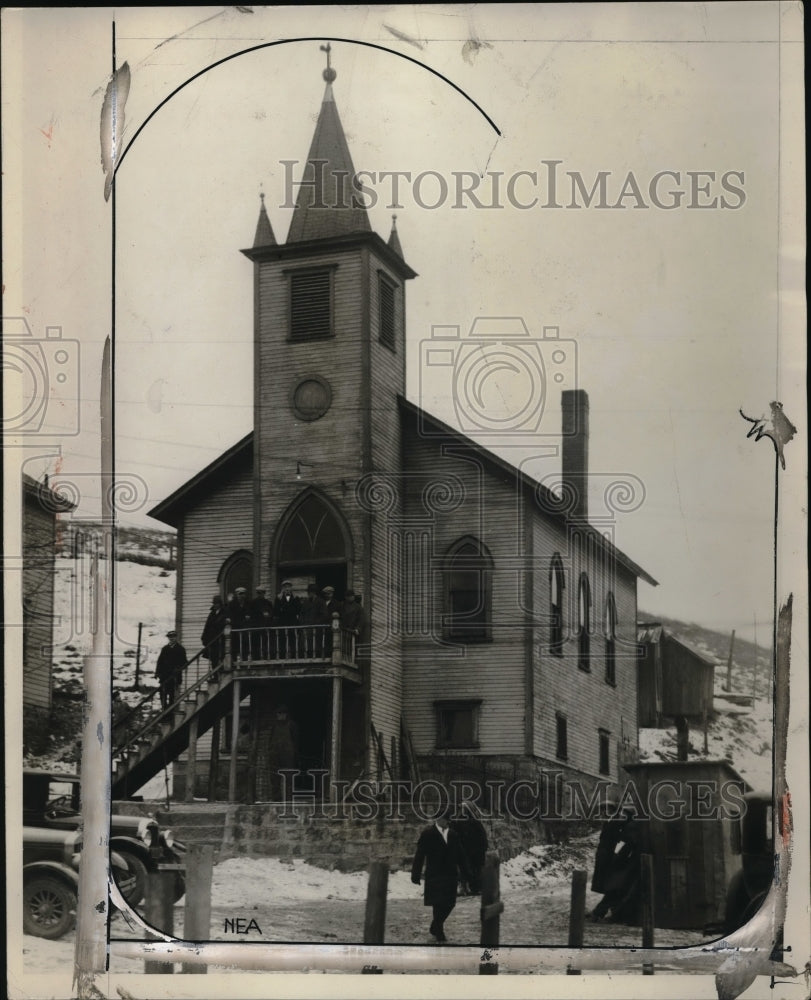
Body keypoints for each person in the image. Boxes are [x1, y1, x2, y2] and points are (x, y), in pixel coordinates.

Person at [411, 810, 470, 943]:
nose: (448, 822)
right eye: (445, 819)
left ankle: (435, 925)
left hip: (450, 874)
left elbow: (461, 855)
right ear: (438, 819)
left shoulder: (453, 834)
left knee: (450, 903)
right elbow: (420, 855)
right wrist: (415, 874)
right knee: (438, 904)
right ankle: (439, 931)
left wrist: (466, 872)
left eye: (448, 820)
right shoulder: (428, 834)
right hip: (435, 874)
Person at [589, 806, 644, 923]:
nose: (621, 815)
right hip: (624, 862)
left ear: (630, 815)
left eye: (625, 813)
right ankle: (601, 912)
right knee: (616, 889)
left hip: (626, 863)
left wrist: (618, 857)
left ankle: (601, 913)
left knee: (615, 889)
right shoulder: (628, 825)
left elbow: (627, 844)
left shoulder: (631, 826)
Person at [256, 703, 299, 801]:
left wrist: (294, 754)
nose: (281, 715)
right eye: (279, 713)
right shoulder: (274, 726)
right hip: (274, 755)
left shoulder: (291, 725)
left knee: (288, 777)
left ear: (286, 714)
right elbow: (270, 740)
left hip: (287, 755)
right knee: (274, 777)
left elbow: (295, 741)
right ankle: (276, 798)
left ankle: (288, 799)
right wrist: (270, 751)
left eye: (283, 713)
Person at [452, 801, 488, 895]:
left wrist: (483, 848)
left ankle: (476, 888)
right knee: (463, 869)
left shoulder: (475, 822)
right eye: (461, 809)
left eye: (464, 809)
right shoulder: (457, 822)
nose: (461, 810)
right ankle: (463, 888)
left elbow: (482, 837)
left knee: (475, 870)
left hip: (475, 851)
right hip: (464, 850)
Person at [155, 630, 188, 710]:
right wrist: (157, 673)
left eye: (173, 637)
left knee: (172, 695)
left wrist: (178, 668)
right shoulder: (165, 649)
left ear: (176, 637)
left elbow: (184, 662)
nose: (171, 638)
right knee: (162, 693)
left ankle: (170, 712)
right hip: (164, 676)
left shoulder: (180, 649)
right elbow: (160, 662)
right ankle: (164, 709)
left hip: (174, 677)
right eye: (170, 637)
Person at [299, 583, 329, 656]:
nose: (309, 594)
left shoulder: (321, 602)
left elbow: (324, 615)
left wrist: (315, 623)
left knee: (316, 647)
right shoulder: (306, 602)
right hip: (306, 628)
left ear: (315, 592)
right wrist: (303, 623)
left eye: (311, 592)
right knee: (306, 646)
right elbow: (301, 614)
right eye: (309, 592)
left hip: (317, 629)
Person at [274, 580, 301, 658]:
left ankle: (294, 658)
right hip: (282, 623)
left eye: (288, 586)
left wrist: (286, 609)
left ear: (291, 588)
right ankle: (282, 659)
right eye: (285, 587)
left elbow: (298, 609)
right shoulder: (278, 598)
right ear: (282, 588)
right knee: (282, 641)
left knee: (293, 641)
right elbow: (276, 611)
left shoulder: (295, 597)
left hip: (292, 623)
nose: (287, 589)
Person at [201, 594, 227, 669]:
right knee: (213, 659)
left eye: (216, 603)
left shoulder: (224, 612)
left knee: (221, 657)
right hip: (212, 640)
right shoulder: (212, 614)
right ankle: (215, 675)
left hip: (221, 640)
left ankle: (221, 672)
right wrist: (204, 637)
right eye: (214, 603)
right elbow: (207, 626)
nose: (215, 605)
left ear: (220, 604)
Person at [228, 586, 253, 660]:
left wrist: (249, 616)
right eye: (240, 594)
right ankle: (234, 661)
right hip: (236, 628)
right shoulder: (232, 604)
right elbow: (229, 615)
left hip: (245, 628)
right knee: (235, 646)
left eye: (243, 594)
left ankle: (245, 659)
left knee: (245, 646)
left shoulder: (248, 603)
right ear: (236, 595)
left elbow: (252, 613)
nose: (242, 596)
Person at [250, 584, 275, 658]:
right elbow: (251, 614)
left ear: (264, 593)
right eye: (258, 593)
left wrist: (268, 615)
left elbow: (271, 613)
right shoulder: (253, 603)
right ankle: (256, 658)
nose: (260, 594)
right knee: (256, 644)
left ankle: (266, 657)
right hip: (256, 626)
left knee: (266, 643)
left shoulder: (268, 603)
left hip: (266, 626)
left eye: (262, 593)